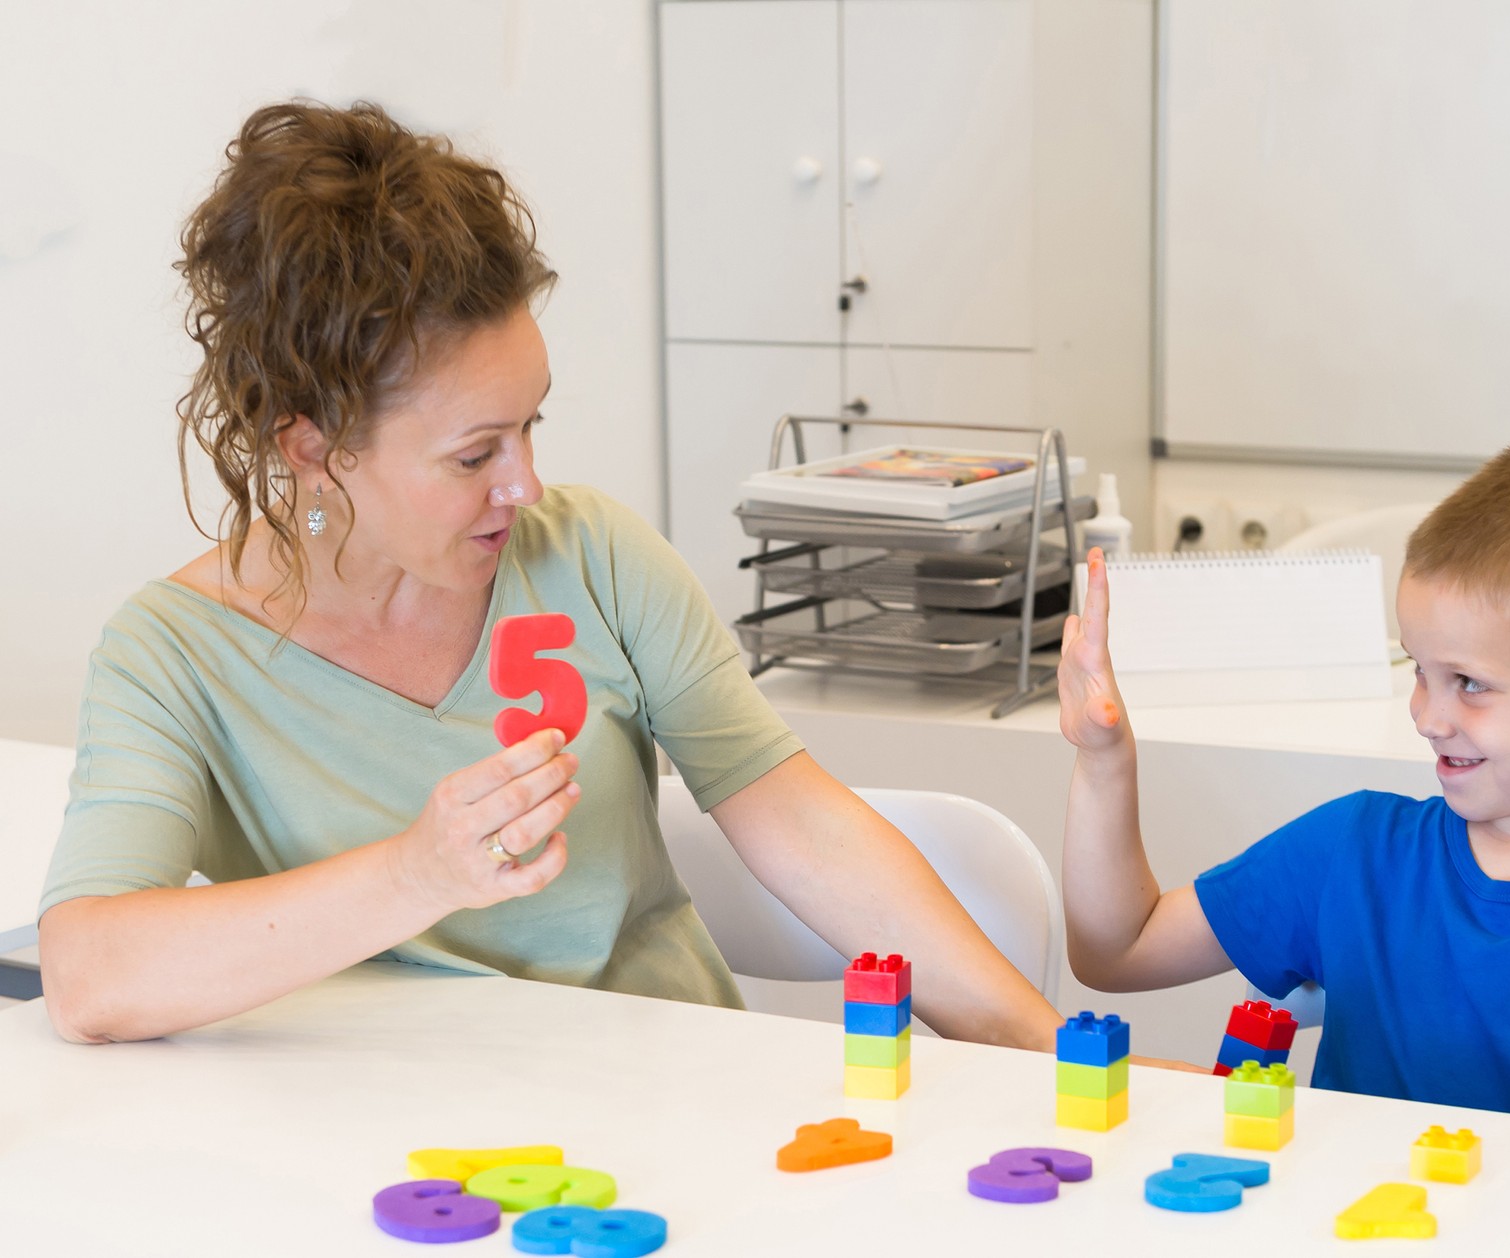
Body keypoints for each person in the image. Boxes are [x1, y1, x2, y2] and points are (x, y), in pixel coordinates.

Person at [38, 100, 1060, 1051]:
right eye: (475, 455)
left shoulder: (596, 557)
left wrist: (1047, 1053)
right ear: (313, 449)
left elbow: (796, 821)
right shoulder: (172, 656)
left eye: (533, 425)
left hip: (665, 1120)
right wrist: (415, 873)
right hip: (390, 1171)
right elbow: (90, 971)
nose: (527, 485)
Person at [1057, 434, 1510, 1132]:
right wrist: (1104, 758)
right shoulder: (1355, 849)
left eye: (1471, 684)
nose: (1427, 715)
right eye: (1420, 670)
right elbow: (1119, 949)